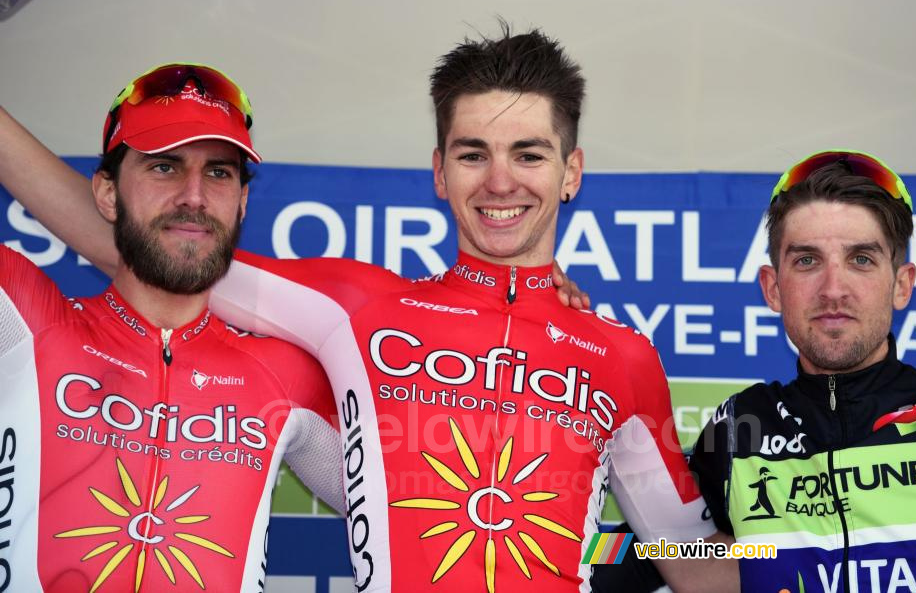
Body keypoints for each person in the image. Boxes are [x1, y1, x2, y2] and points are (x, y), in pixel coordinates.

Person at [0, 30, 738, 592]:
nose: (501, 180)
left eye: (530, 154)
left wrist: (782, 550)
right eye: (474, 152)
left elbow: (686, 552)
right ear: (439, 171)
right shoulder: (356, 309)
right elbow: (146, 247)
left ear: (571, 172)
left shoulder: (622, 356)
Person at [598, 150, 916, 593]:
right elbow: (668, 552)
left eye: (861, 259)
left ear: (902, 285)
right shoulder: (739, 428)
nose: (833, 289)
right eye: (807, 261)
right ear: (773, 287)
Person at [0, 64, 344, 592]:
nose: (194, 196)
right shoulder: (27, 321)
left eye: (219, 172)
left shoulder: (284, 376)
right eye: (164, 167)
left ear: (243, 202)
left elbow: (406, 506)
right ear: (108, 194)